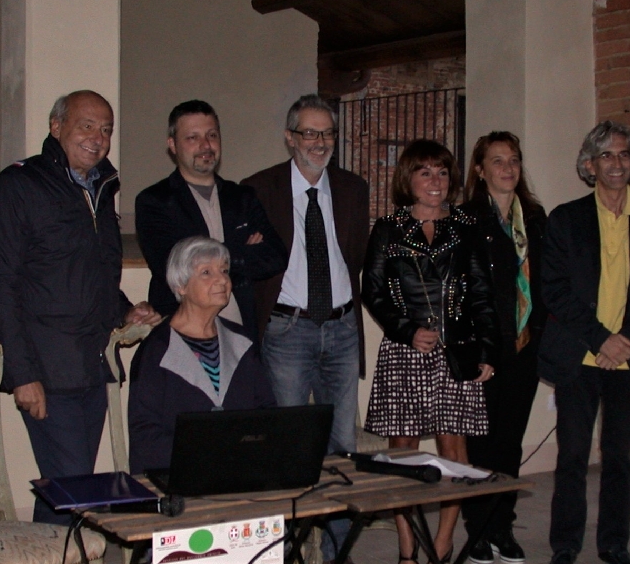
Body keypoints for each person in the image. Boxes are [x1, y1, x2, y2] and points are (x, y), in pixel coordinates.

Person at [0, 90, 160, 523]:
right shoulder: (19, 184)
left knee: (64, 491)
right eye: (86, 126)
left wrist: (124, 310)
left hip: (92, 366)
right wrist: (23, 375)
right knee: (73, 487)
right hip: (47, 370)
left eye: (106, 129)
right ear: (56, 127)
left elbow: (90, 278)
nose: (98, 138)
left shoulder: (99, 189)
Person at [538, 121, 630, 564]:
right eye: (606, 155)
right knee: (573, 457)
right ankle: (565, 545)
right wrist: (601, 339)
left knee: (618, 458)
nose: (615, 163)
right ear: (589, 164)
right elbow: (555, 289)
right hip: (580, 357)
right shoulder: (566, 219)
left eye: (623, 154)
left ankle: (615, 545)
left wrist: (626, 340)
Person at [242, 94, 369, 563]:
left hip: (340, 330)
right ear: (290, 138)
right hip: (286, 332)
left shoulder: (354, 188)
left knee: (340, 448)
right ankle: (286, 552)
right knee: (289, 449)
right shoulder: (258, 188)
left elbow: (354, 258)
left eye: (328, 133)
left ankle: (337, 552)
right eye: (310, 133)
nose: (320, 143)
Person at [362, 139, 498, 564]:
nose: (435, 181)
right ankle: (407, 549)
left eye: (441, 172)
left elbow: (481, 293)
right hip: (405, 353)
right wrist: (407, 331)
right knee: (402, 454)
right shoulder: (387, 228)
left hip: (455, 353)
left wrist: (487, 351)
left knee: (454, 455)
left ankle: (441, 545)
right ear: (408, 179)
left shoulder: (466, 227)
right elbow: (373, 292)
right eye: (425, 172)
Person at [459, 132, 547, 564]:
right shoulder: (467, 219)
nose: (507, 168)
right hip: (486, 350)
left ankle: (503, 528)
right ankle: (479, 531)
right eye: (497, 161)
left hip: (526, 345)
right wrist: (478, 350)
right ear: (480, 170)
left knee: (510, 443)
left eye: (513, 160)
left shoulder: (534, 216)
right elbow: (460, 293)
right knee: (482, 444)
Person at [136, 100, 286, 334]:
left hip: (240, 332)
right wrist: (241, 252)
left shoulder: (242, 196)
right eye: (192, 138)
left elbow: (276, 256)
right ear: (172, 145)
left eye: (212, 135)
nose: (205, 145)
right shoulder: (155, 201)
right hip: (182, 333)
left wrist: (206, 262)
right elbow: (172, 269)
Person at [128, 236, 276, 474]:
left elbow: (267, 414)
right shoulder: (157, 351)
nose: (221, 280)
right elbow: (146, 438)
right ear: (181, 286)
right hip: (179, 477)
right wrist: (208, 455)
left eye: (224, 270)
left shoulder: (241, 342)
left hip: (241, 474)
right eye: (206, 272)